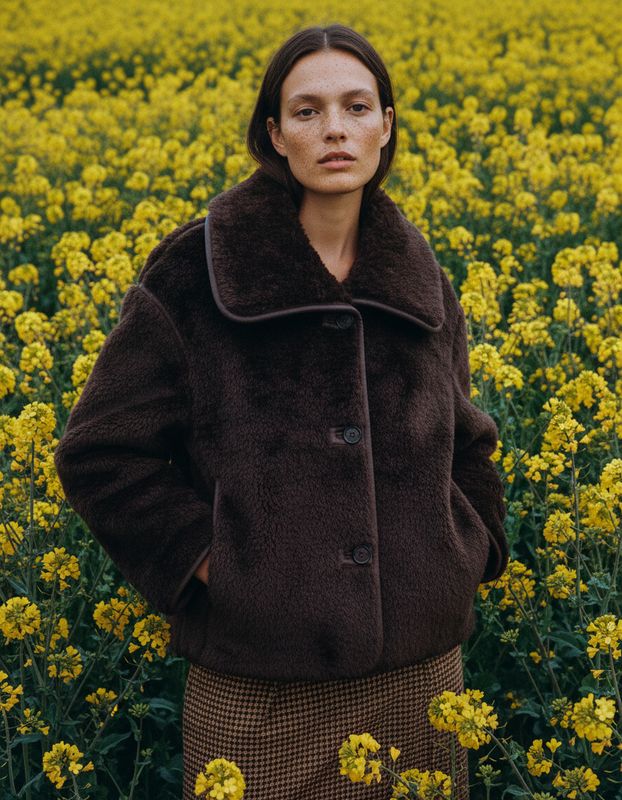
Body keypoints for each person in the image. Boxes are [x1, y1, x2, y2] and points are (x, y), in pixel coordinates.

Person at [54, 23, 509, 800]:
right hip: (260, 686)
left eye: (357, 106)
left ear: (386, 125)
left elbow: (465, 438)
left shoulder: (422, 273)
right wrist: (217, 564)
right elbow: (100, 452)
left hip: (423, 680)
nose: (335, 128)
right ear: (274, 133)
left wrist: (472, 548)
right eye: (307, 111)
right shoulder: (193, 276)